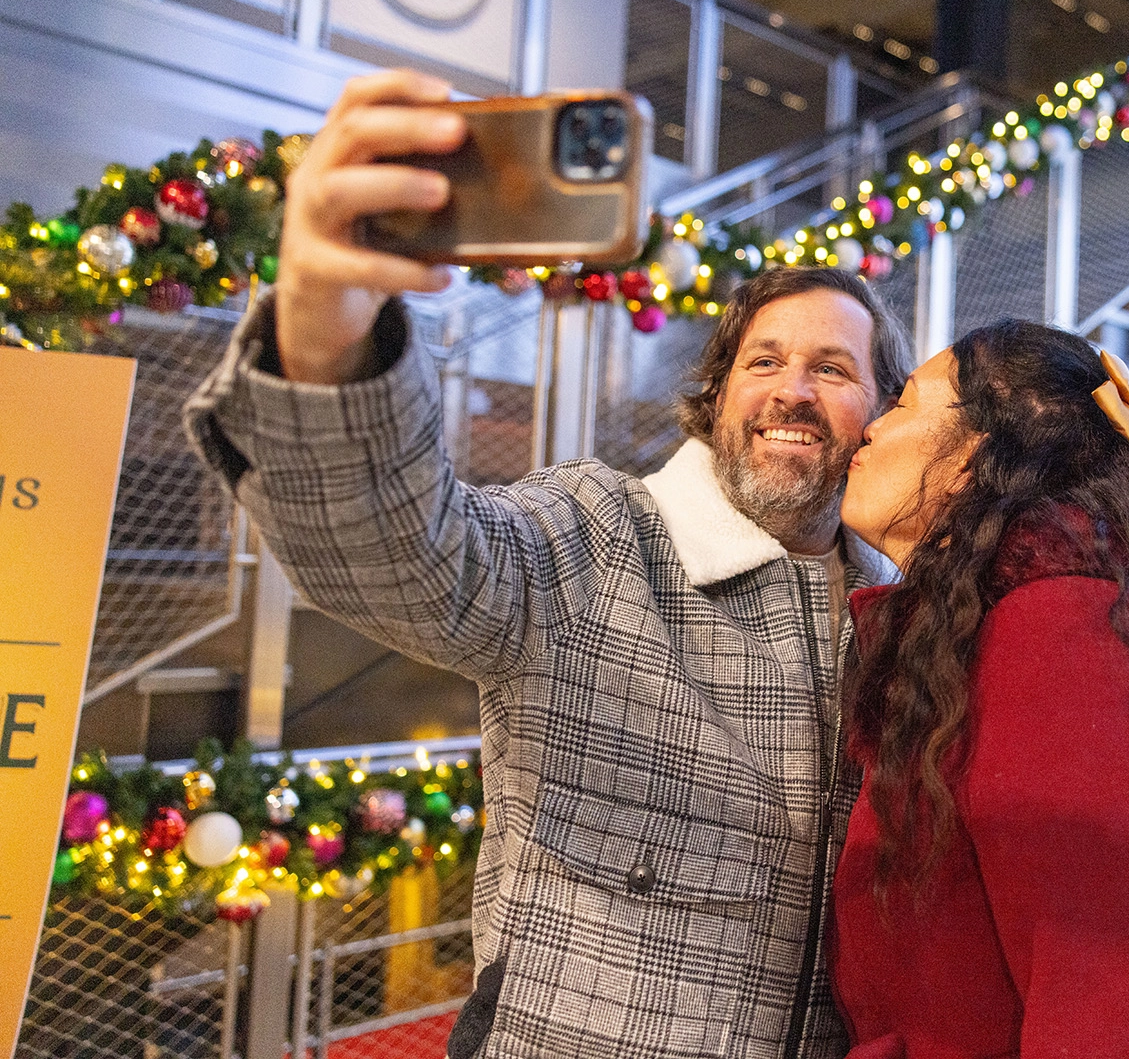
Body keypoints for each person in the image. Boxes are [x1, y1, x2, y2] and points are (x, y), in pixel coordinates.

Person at [182, 70, 912, 1059]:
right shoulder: (596, 538)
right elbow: (395, 550)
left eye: (832, 368)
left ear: (886, 410)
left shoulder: (912, 622)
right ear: (717, 392)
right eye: (764, 361)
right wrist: (322, 327)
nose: (791, 390)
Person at [832, 320, 1129, 1058]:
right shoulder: (1017, 624)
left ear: (975, 455)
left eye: (904, 403)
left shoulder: (1071, 634)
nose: (871, 424)